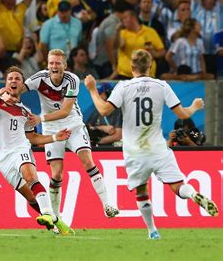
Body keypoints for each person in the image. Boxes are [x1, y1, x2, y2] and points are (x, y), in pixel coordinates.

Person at [84, 49, 219, 239]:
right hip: (157, 148)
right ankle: (193, 194)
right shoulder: (162, 86)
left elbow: (104, 110)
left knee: (141, 191)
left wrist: (91, 89)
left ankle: (152, 231)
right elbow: (182, 114)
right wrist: (195, 106)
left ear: (131, 68)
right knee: (178, 185)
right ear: (151, 66)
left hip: (135, 151)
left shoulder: (123, 86)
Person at [0, 66, 74, 236]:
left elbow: (32, 138)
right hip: (2, 158)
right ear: (5, 83)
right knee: (31, 198)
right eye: (10, 78)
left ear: (22, 85)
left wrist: (56, 137)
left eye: (17, 78)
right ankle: (56, 222)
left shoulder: (26, 112)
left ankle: (48, 214)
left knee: (31, 177)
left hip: (20, 149)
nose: (13, 81)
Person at [25, 49, 119, 220]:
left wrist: (40, 118)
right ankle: (56, 217)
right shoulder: (39, 78)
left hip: (73, 125)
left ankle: (107, 205)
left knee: (87, 161)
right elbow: (20, 89)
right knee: (57, 174)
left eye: (58, 63)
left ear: (65, 65)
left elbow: (65, 111)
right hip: (51, 129)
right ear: (47, 65)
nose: (54, 66)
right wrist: (8, 96)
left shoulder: (72, 80)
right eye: (51, 63)